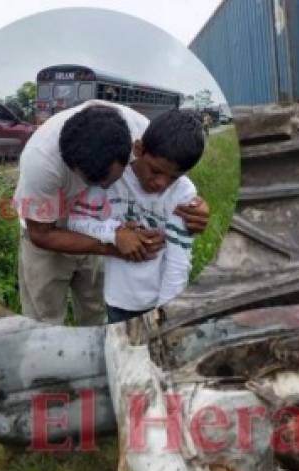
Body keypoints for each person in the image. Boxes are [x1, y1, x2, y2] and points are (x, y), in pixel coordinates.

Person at [13, 100, 209, 325]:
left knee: (94, 310)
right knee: (43, 318)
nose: (105, 189)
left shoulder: (140, 132)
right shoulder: (41, 163)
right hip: (50, 225)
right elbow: (41, 234)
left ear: (133, 151)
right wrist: (114, 240)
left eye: (112, 181)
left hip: (101, 222)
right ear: (72, 167)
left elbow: (172, 171)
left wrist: (195, 206)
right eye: (94, 183)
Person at [66, 109, 203, 323]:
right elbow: (76, 220)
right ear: (138, 149)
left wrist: (165, 313)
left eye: (173, 177)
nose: (161, 183)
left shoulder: (183, 195)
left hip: (159, 300)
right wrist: (115, 233)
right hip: (117, 300)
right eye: (155, 171)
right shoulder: (113, 178)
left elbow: (178, 262)